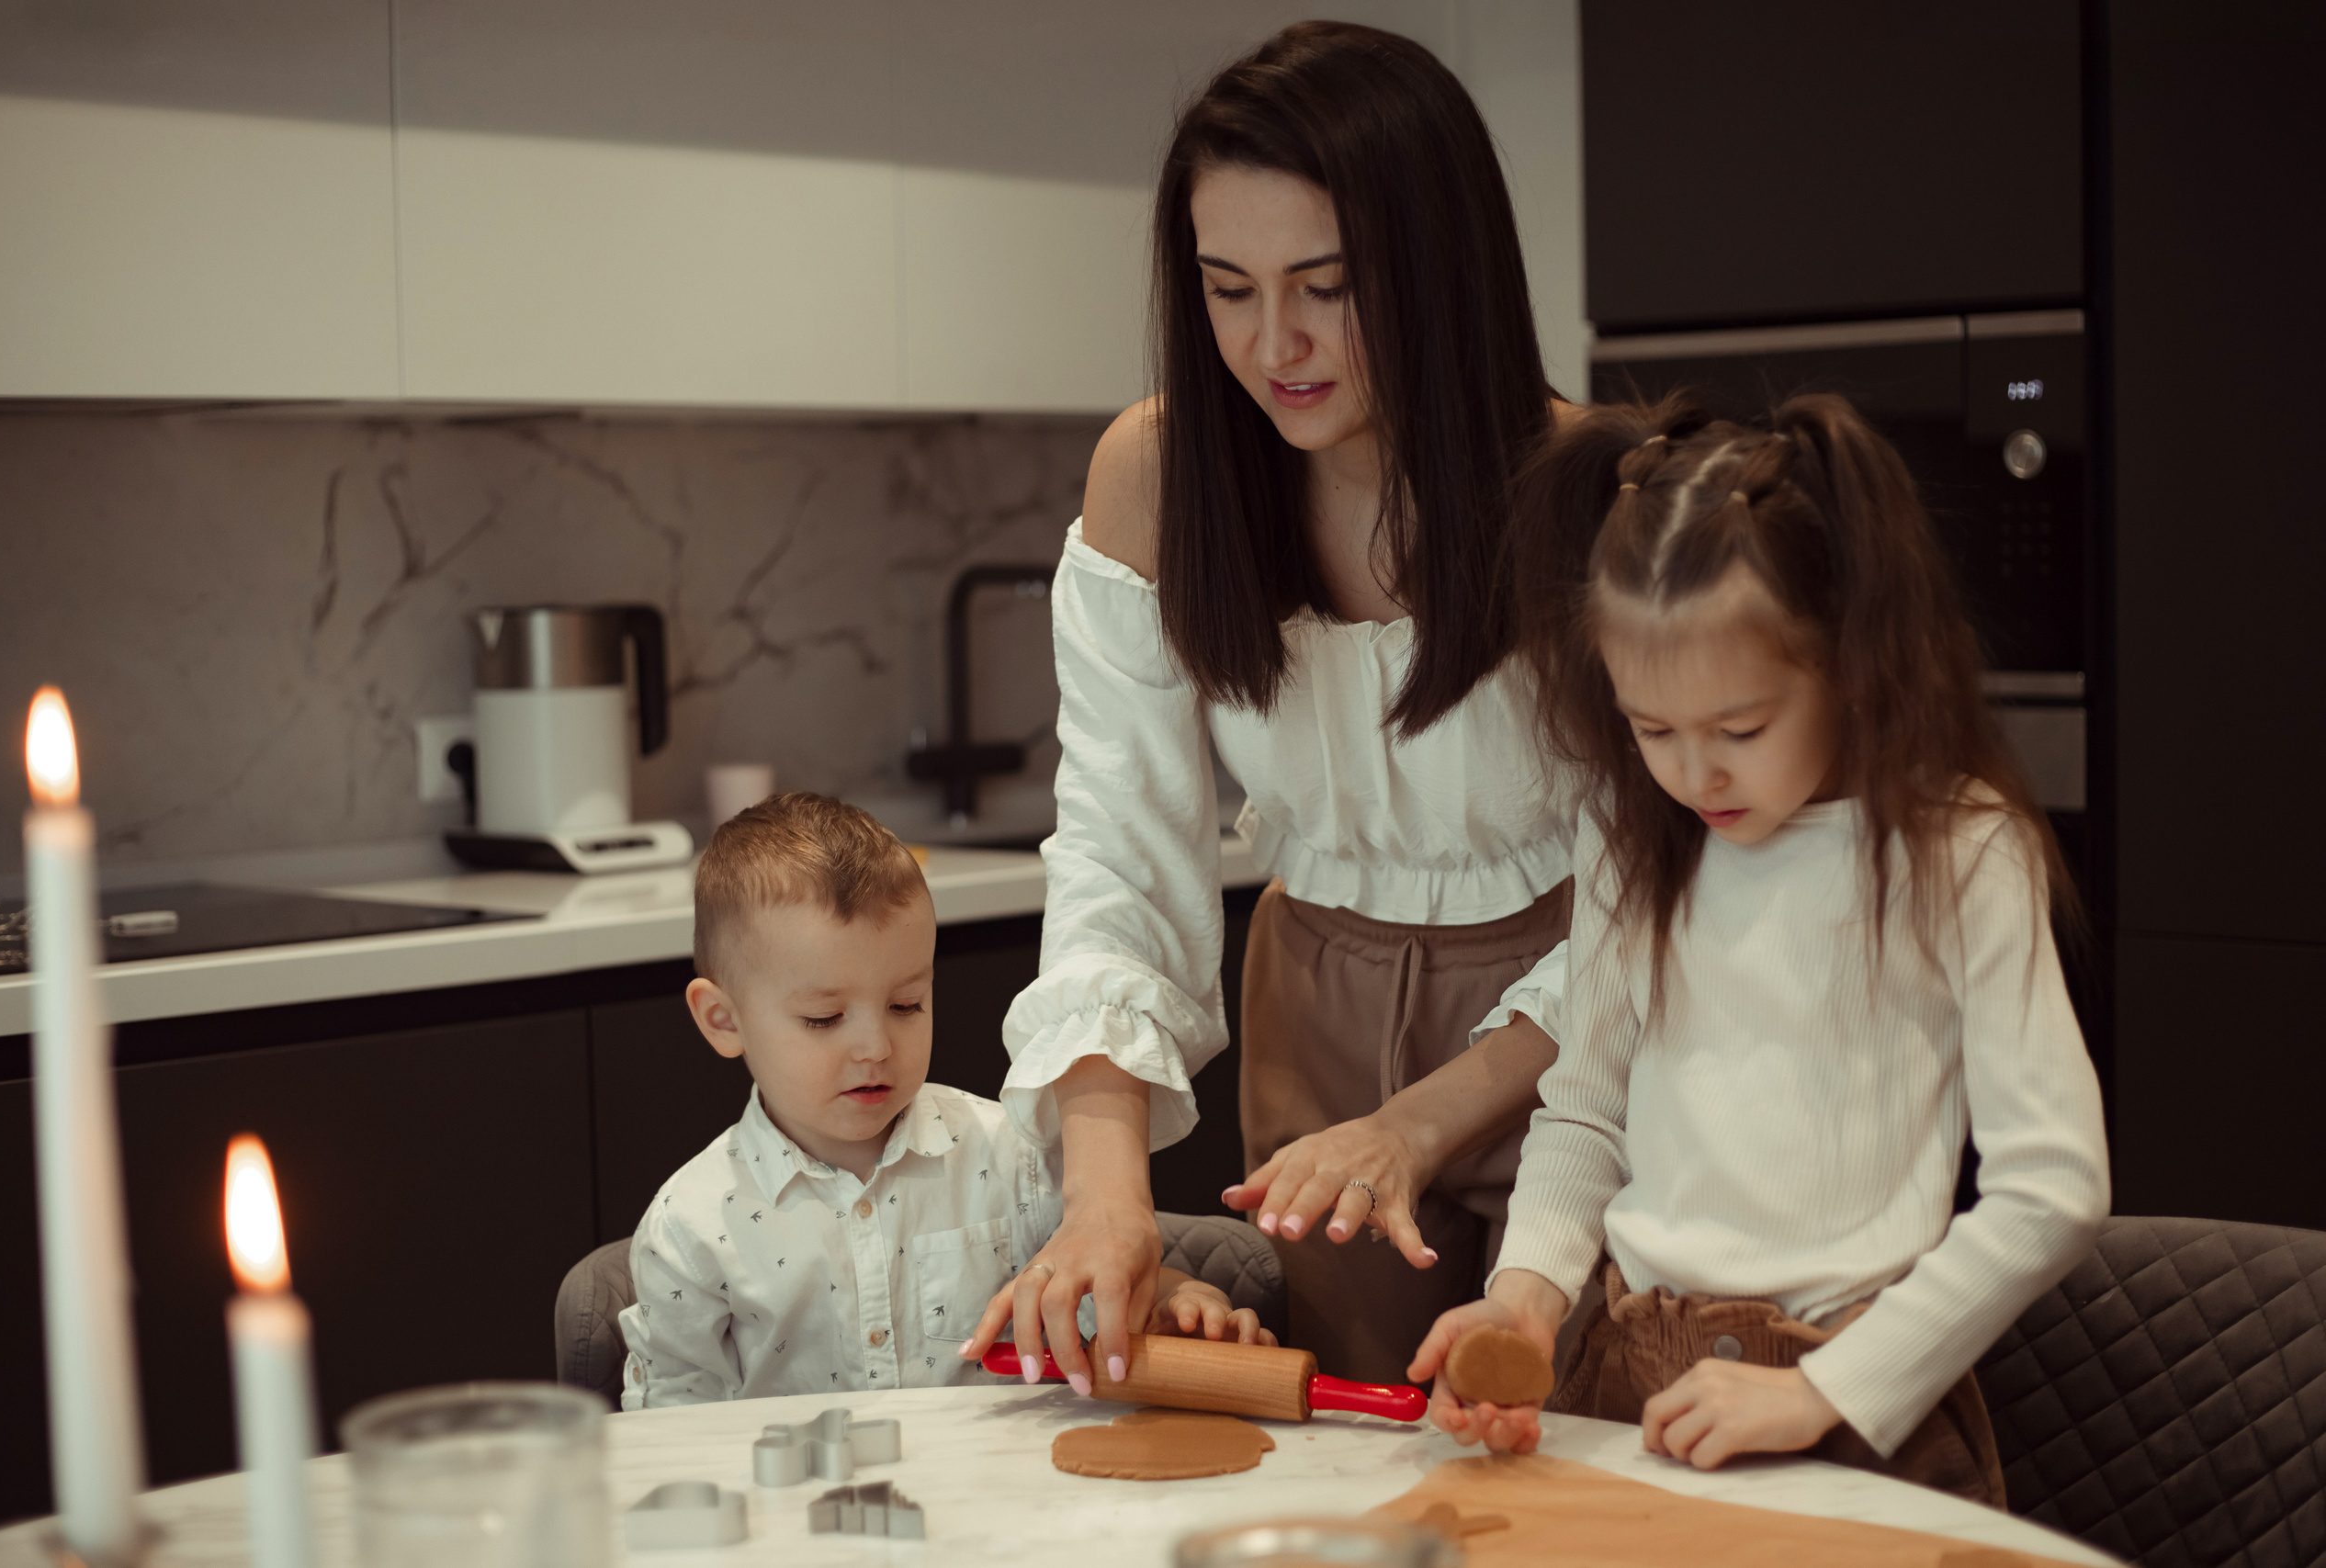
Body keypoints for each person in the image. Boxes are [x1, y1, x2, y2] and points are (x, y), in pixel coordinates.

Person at [964, 19, 1580, 1390]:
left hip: (1582, 1024)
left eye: (1327, 284)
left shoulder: (1583, 489)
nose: (1274, 343)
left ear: (1438, 267)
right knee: (1367, 1444)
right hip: (1314, 1014)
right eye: (1227, 288)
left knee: (1578, 1449)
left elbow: (1664, 904)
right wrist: (1106, 1193)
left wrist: (1419, 1123)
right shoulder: (1161, 473)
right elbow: (1119, 848)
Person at [1409, 395, 2110, 1502]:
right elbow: (1585, 1110)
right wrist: (1527, 1298)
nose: (1696, 777)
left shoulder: (1957, 851)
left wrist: (1825, 1389)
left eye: (1739, 730)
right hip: (1625, 1377)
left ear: (1850, 660)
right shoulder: (1633, 837)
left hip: (1845, 1398)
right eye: (1651, 730)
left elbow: (2055, 1188)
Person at [620, 794, 1271, 1409]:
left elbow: (1113, 1283)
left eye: (907, 1004)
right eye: (824, 1017)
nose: (876, 1045)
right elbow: (671, 1437)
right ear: (723, 1019)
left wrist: (1185, 1303)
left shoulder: (1012, 1154)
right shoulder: (691, 1227)